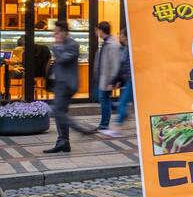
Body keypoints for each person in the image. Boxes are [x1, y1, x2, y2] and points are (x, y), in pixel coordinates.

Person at [44, 20, 92, 154]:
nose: (55, 34)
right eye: (55, 32)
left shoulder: (72, 44)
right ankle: (63, 142)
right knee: (60, 113)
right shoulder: (62, 44)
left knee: (57, 112)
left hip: (67, 85)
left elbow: (63, 59)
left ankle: (79, 130)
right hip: (60, 84)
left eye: (57, 32)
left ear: (65, 32)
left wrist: (56, 46)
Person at [101, 29, 132, 138]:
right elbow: (123, 67)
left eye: (121, 35)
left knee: (122, 103)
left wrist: (116, 81)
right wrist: (118, 80)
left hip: (133, 82)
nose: (120, 37)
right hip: (128, 81)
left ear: (126, 36)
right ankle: (120, 123)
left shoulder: (131, 49)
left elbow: (125, 67)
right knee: (123, 103)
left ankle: (116, 128)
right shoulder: (125, 48)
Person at [91, 21, 122, 131]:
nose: (95, 32)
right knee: (98, 98)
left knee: (103, 99)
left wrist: (112, 81)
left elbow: (115, 65)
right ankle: (119, 108)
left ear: (101, 30)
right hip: (101, 78)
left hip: (107, 79)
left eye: (96, 30)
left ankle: (104, 124)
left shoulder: (112, 44)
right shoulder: (106, 42)